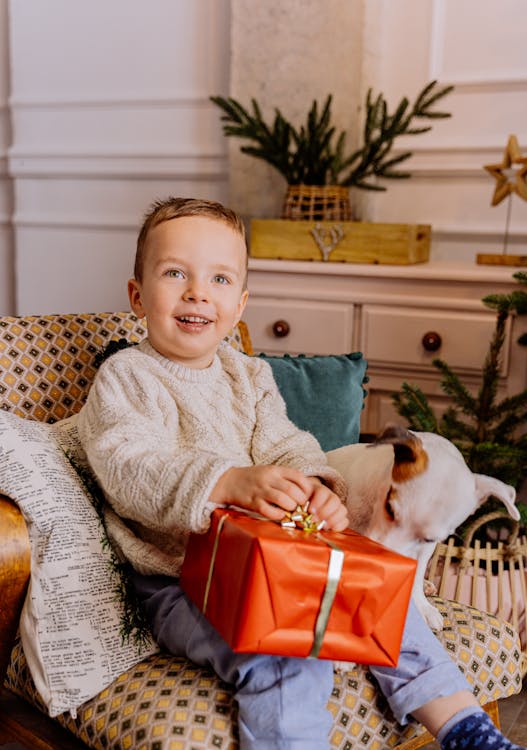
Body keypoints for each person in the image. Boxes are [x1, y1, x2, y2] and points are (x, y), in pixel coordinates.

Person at [77, 196, 524, 750]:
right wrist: (227, 481)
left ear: (239, 305)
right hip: (182, 581)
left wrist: (318, 488)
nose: (197, 292)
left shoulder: (249, 376)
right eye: (175, 274)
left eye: (219, 278)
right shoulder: (127, 378)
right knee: (282, 650)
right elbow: (129, 466)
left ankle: (465, 728)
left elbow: (287, 445)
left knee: (385, 608)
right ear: (137, 296)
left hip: (280, 560)